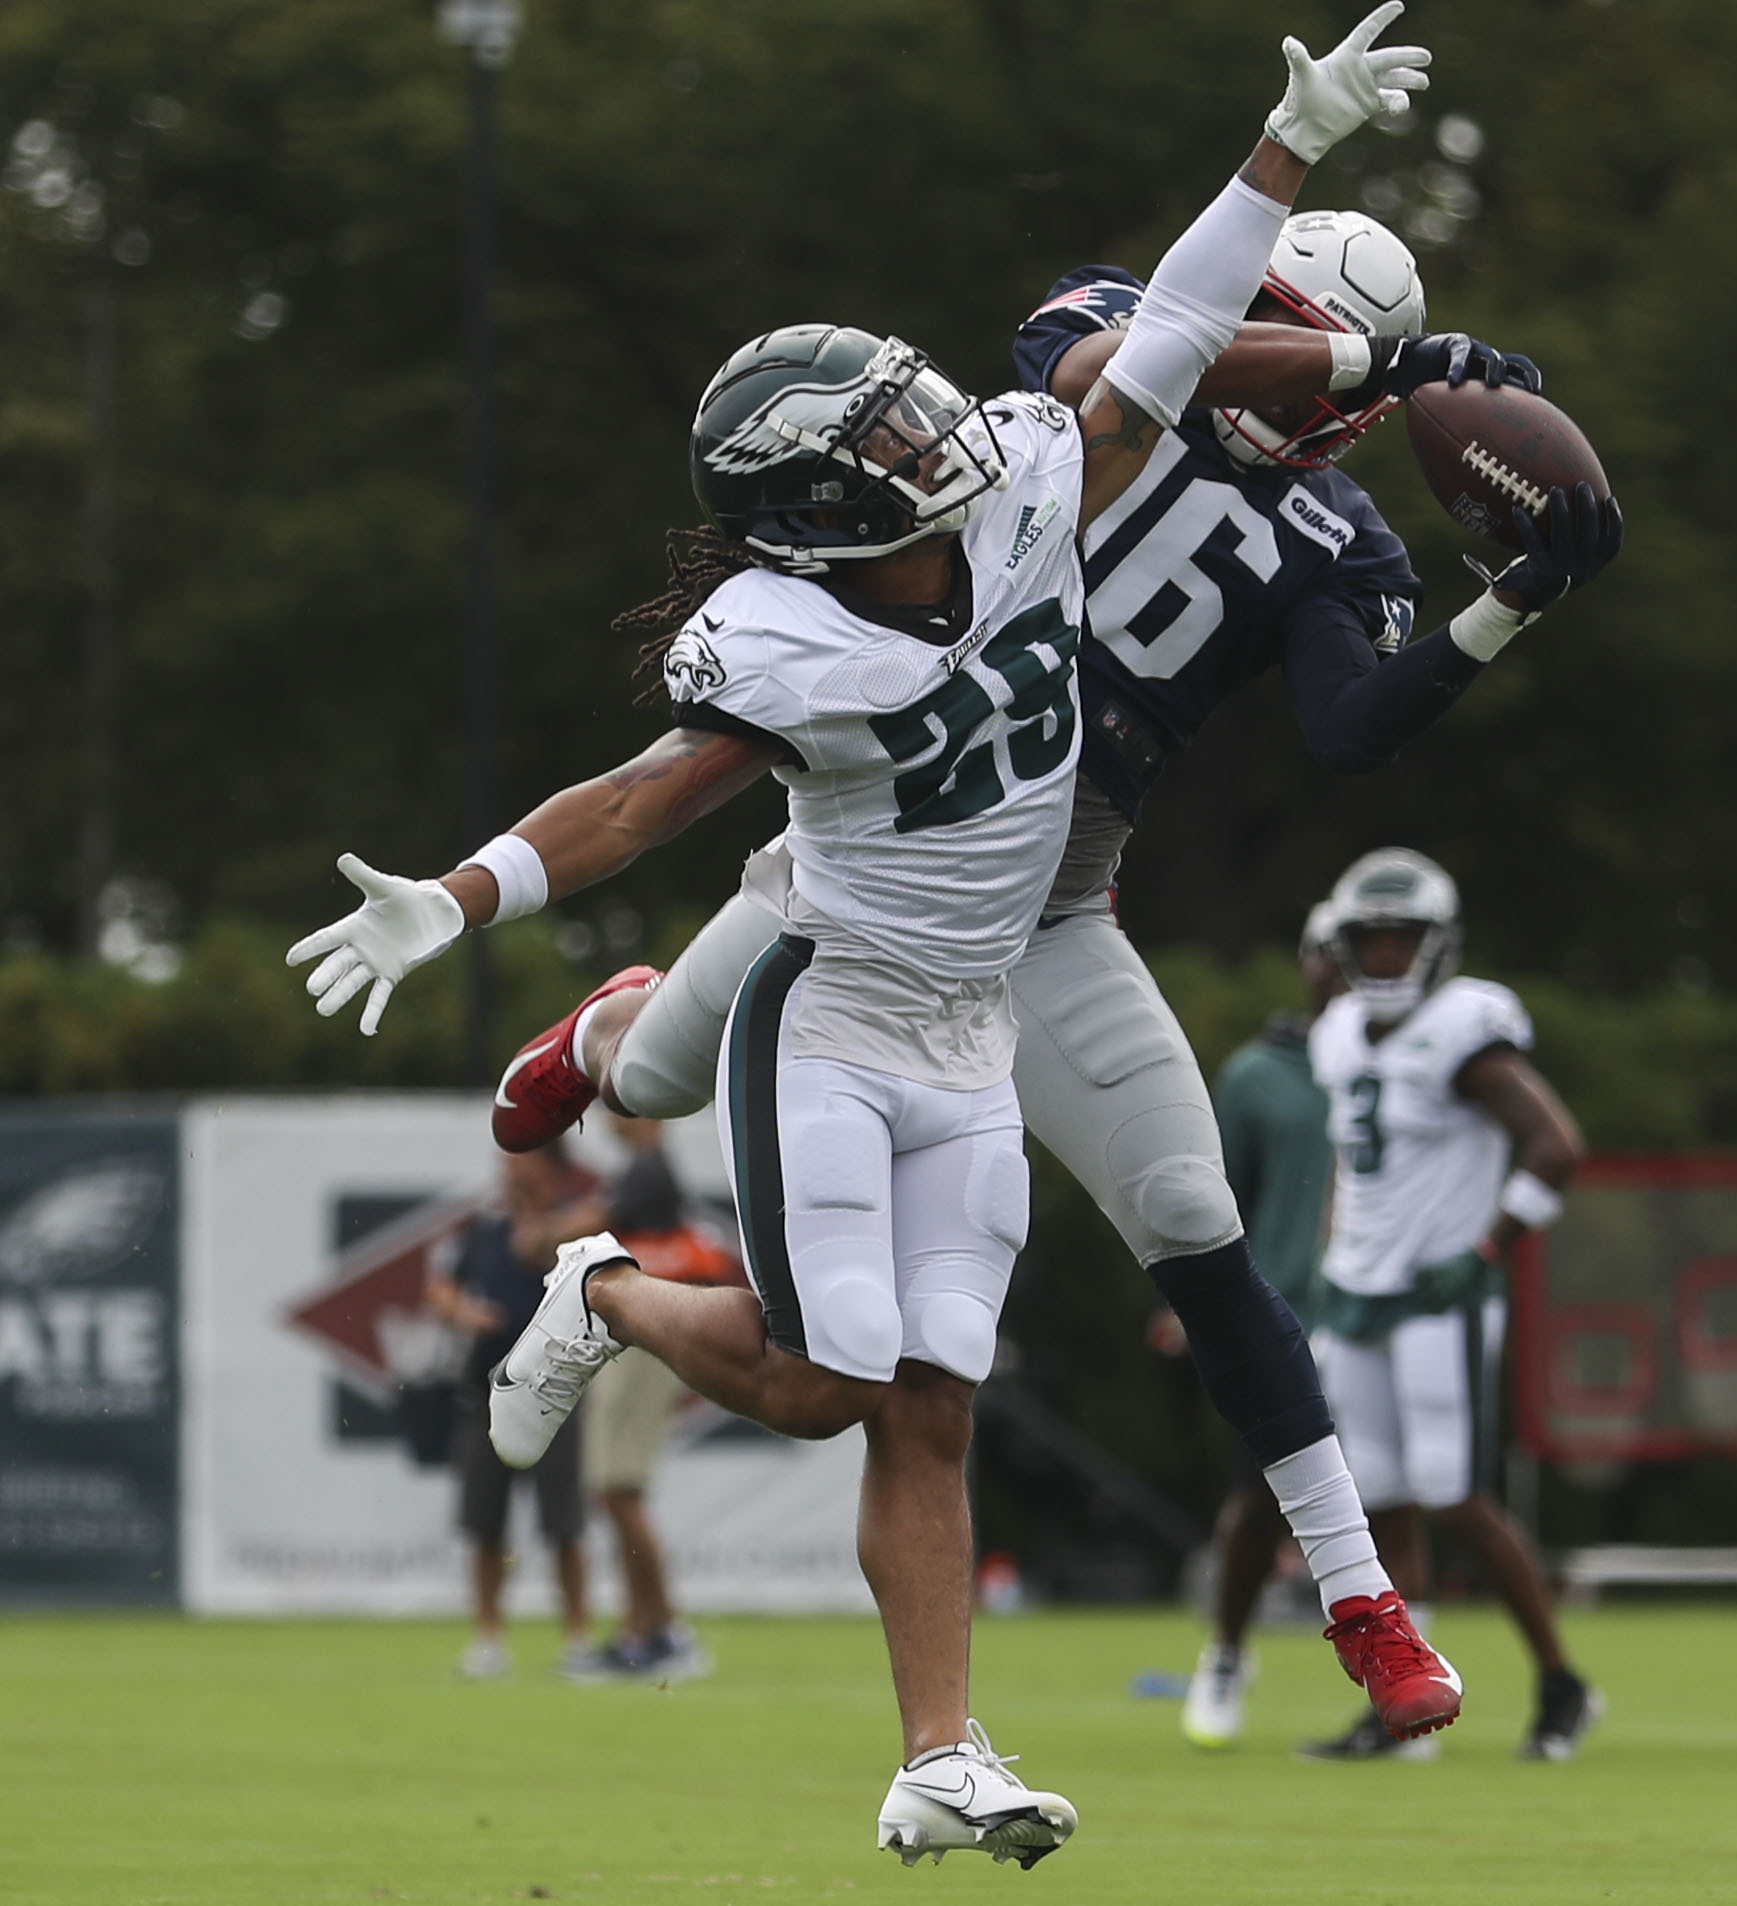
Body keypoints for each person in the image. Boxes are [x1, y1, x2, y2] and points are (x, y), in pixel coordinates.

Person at [288, 10, 1440, 1867]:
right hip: (826, 1001)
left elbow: (1160, 332)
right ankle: (602, 1290)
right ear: (830, 505)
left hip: (979, 1022)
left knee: (928, 1408)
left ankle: (939, 1756)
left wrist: (1281, 144)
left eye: (912, 404)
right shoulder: (781, 636)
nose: (939, 426)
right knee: (827, 1385)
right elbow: (644, 797)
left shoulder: (1024, 477)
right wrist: (464, 888)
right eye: (890, 434)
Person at [474, 66, 1615, 1774]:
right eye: (1286, 331)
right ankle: (599, 1028)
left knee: (1189, 1215)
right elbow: (1112, 356)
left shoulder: (1335, 531)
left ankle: (1365, 1605)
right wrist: (1363, 353)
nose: (1310, 384)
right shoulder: (1100, 365)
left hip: (1055, 904)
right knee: (641, 1090)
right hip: (858, 891)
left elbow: (1354, 728)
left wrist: (1512, 598)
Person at [1298, 849, 1597, 1762]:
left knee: (1453, 1496)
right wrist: (1329, 1258)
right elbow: (1351, 1168)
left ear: (1438, 946)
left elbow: (1555, 1145)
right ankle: (1406, 1699)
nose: (1385, 956)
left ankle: (1560, 1681)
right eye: (1369, 940)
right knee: (1378, 1498)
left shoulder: (1467, 1028)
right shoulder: (1338, 1030)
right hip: (1358, 1291)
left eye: (1402, 939)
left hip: (1439, 1292)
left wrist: (1486, 1249)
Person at [1180, 901, 1348, 1748]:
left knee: (1398, 1497)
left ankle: (1391, 1679)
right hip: (1281, 1313)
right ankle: (1227, 1651)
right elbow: (1211, 1203)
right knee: (1259, 1498)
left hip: (1380, 1314)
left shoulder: (1421, 1064)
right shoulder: (1256, 1075)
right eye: (1334, 951)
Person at [423, 1143, 610, 1679]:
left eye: (519, 1159)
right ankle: (489, 1639)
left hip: (557, 1390)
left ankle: (577, 1639)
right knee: (484, 1524)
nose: (507, 1169)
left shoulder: (578, 1224)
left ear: (550, 1167)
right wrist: (463, 1312)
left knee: (565, 1522)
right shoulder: (483, 1227)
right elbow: (441, 1286)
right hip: (484, 1390)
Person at [569, 1113, 736, 1684]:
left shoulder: (645, 1170)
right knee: (615, 1490)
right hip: (632, 1344)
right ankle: (642, 1632)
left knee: (619, 1490)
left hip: (639, 1344)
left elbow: (590, 1224)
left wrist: (544, 1233)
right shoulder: (645, 1171)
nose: (610, 1113)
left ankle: (663, 1633)